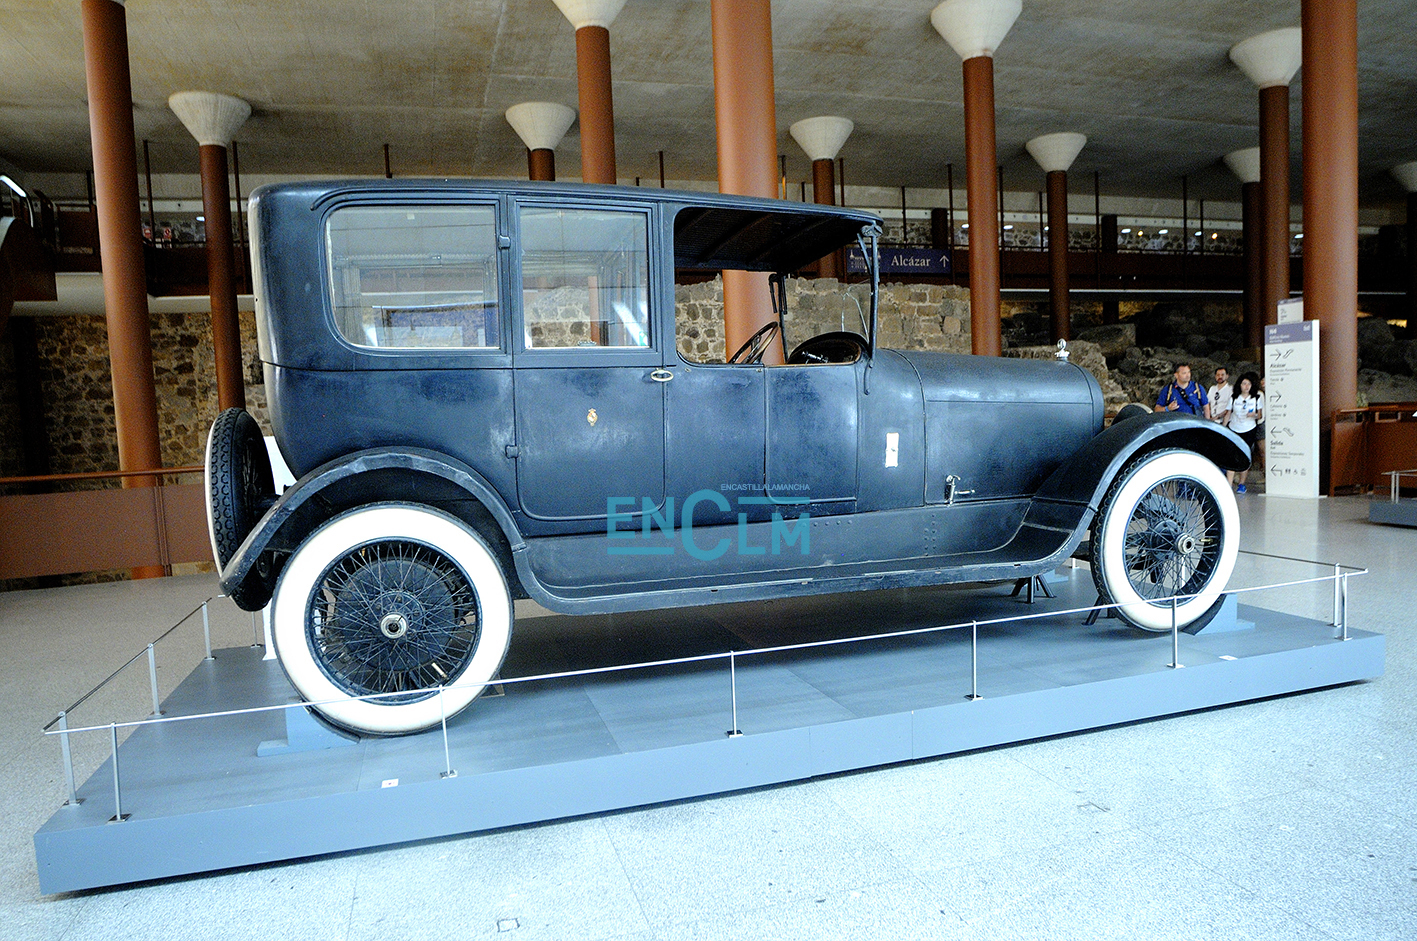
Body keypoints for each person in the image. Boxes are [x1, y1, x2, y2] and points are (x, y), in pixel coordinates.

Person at [1226, 372, 1264, 493]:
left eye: (1249, 384)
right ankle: (1228, 484)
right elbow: (1228, 413)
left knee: (1244, 455)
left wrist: (1254, 415)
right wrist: (1223, 428)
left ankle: (1242, 483)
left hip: (1249, 429)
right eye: (1244, 384)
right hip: (1234, 427)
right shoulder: (1233, 397)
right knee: (1231, 456)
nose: (1246, 386)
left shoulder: (1256, 397)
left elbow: (1260, 415)